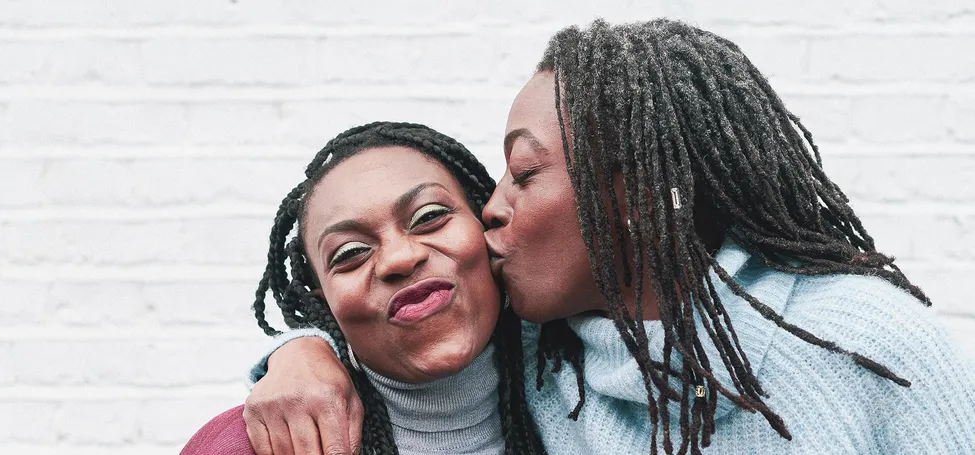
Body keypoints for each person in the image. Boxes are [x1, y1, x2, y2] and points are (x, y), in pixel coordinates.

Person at [245, 19, 975, 455]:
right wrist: (300, 354)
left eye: (523, 173)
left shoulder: (862, 342)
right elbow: (402, 333)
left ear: (631, 192)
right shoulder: (548, 358)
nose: (491, 208)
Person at [181, 122, 545, 455]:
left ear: (486, 227)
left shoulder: (577, 380)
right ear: (325, 305)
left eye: (429, 216)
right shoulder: (253, 446)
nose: (399, 259)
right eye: (351, 253)